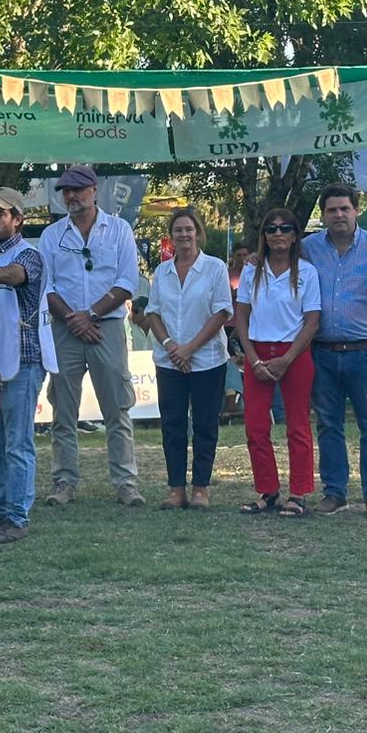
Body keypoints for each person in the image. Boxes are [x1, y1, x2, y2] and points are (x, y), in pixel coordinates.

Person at [39, 164, 144, 508]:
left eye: (77, 189)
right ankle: (64, 482)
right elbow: (46, 286)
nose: (71, 196)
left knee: (117, 408)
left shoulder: (118, 229)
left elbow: (127, 282)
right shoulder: (52, 235)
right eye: (66, 191)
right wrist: (73, 319)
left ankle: (126, 482)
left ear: (94, 190)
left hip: (107, 327)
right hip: (65, 328)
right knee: (62, 411)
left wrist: (91, 314)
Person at [300, 183, 367, 518]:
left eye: (344, 208)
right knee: (328, 424)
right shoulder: (308, 248)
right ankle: (335, 492)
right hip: (322, 351)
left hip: (365, 351)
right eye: (331, 210)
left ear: (356, 210)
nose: (338, 215)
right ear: (323, 215)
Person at [0, 186, 54, 546]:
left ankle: (17, 516)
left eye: (0, 214)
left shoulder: (28, 253)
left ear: (18, 219)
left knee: (17, 442)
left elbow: (18, 273)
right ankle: (1, 511)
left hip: (22, 358)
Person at [134, 207, 231, 510]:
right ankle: (176, 488)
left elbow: (222, 312)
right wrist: (171, 345)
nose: (184, 234)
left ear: (198, 232)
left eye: (189, 229)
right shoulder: (162, 271)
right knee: (173, 425)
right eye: (178, 230)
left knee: (204, 425)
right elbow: (153, 312)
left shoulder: (215, 268)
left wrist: (190, 348)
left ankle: (201, 487)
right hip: (169, 361)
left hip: (207, 360)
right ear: (171, 235)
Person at [235, 208, 321, 517]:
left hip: (294, 352)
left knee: (297, 426)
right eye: (271, 229)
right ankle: (268, 490)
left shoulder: (307, 272)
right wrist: (253, 357)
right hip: (257, 350)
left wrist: (287, 359)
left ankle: (298, 493)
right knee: (256, 427)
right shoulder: (251, 271)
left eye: (285, 228)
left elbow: (311, 322)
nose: (278, 234)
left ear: (296, 235)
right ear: (264, 236)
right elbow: (241, 317)